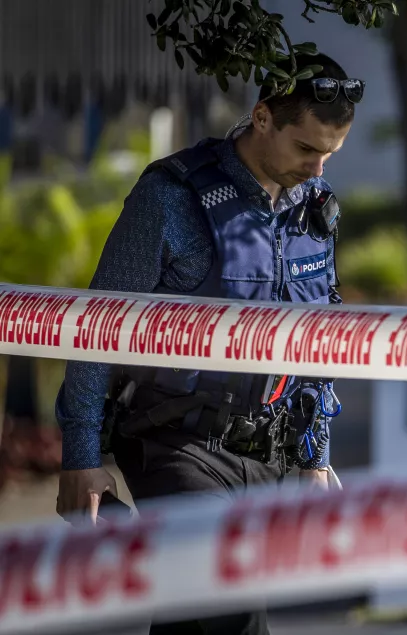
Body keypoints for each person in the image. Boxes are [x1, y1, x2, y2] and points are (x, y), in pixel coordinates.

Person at [53, 53, 363, 634]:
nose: (319, 170)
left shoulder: (316, 210)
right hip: (178, 447)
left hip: (269, 456)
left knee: (203, 619)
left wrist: (314, 456)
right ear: (262, 117)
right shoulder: (169, 197)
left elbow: (316, 336)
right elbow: (97, 324)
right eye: (306, 149)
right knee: (230, 610)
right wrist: (81, 458)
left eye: (330, 154)